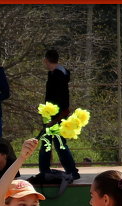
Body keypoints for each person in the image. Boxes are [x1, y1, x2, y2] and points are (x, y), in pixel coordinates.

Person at [38, 49, 80, 181]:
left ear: (46, 60)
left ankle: (70, 170)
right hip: (55, 115)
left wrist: (54, 119)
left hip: (56, 116)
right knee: (52, 143)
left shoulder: (57, 76)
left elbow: (59, 98)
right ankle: (67, 170)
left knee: (57, 143)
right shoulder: (58, 73)